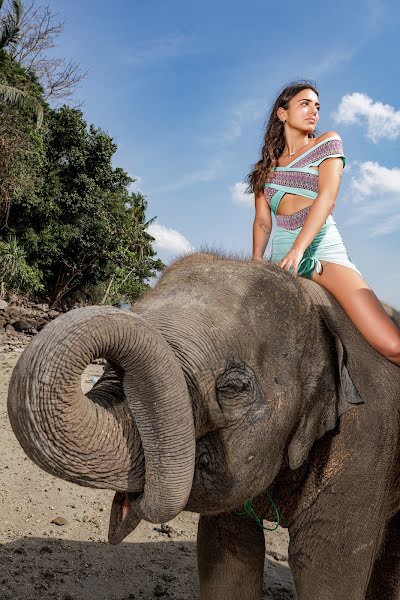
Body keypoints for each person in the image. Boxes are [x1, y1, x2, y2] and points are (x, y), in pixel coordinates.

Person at [247, 81, 400, 366]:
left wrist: (299, 249)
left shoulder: (328, 142)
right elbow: (263, 220)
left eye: (317, 106)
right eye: (304, 103)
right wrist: (256, 260)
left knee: (392, 345)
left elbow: (327, 198)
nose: (313, 111)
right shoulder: (264, 169)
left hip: (321, 251)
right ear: (282, 113)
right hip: (281, 258)